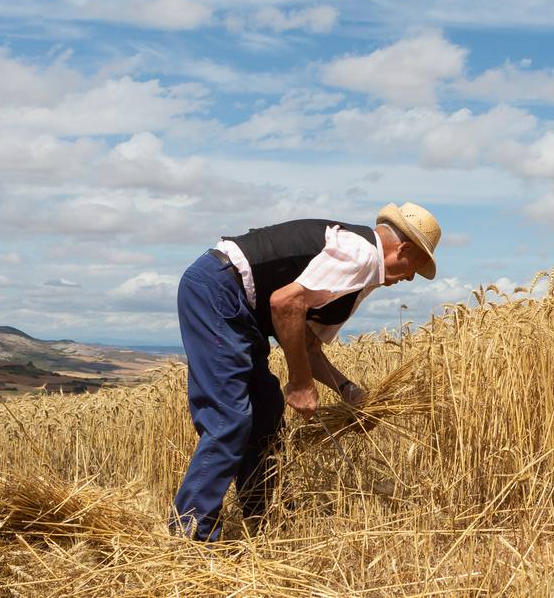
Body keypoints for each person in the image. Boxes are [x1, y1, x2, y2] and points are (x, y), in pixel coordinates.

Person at [171, 202, 442, 540]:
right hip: (218, 290)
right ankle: (190, 533)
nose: (412, 276)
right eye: (417, 264)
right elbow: (285, 303)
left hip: (238, 304)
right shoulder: (360, 255)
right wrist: (299, 384)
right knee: (230, 418)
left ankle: (261, 518)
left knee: (266, 412)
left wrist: (346, 389)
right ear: (403, 248)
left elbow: (307, 345)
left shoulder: (360, 266)